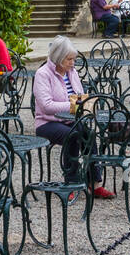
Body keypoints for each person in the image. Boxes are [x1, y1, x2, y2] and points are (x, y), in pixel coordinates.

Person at [34, 35, 114, 198]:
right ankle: (70, 184)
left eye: (73, 59)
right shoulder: (42, 74)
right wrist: (74, 105)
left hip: (70, 119)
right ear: (57, 58)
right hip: (46, 123)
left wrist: (87, 103)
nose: (72, 63)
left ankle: (95, 183)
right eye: (69, 59)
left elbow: (78, 95)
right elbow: (46, 106)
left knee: (89, 135)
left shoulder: (72, 72)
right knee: (73, 135)